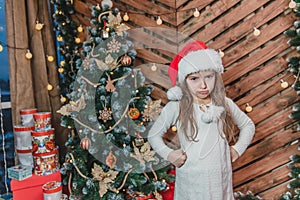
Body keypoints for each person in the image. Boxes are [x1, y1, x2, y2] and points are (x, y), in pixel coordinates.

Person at [148, 40, 255, 200]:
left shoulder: (224, 103)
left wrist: (237, 149)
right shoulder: (176, 107)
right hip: (191, 184)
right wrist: (169, 154)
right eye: (194, 79)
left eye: (208, 77)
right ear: (185, 80)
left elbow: (248, 125)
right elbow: (153, 135)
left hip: (220, 181)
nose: (203, 85)